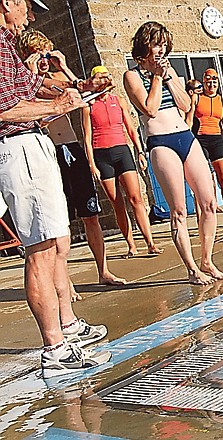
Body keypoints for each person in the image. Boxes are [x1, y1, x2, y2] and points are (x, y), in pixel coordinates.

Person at [0, 0, 112, 377]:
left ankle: (65, 327)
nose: (30, 17)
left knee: (57, 243)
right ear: (7, 3)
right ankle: (54, 349)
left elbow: (34, 90)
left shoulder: (8, 43)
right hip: (18, 148)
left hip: (32, 144)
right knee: (41, 250)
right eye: (27, 7)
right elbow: (3, 110)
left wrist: (81, 87)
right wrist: (62, 101)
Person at [17, 30, 126, 287]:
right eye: (37, 54)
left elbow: (82, 95)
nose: (43, 60)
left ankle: (103, 270)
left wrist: (64, 66)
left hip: (71, 148)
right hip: (48, 151)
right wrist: (32, 73)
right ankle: (63, 282)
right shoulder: (24, 84)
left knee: (91, 214)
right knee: (59, 222)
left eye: (45, 54)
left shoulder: (56, 79)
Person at [124, 21, 223, 284]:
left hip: (185, 136)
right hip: (160, 140)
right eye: (156, 44)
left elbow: (184, 104)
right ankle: (192, 269)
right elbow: (150, 109)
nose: (161, 50)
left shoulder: (171, 73)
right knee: (179, 210)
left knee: (209, 202)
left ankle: (207, 260)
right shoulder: (132, 76)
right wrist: (156, 77)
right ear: (145, 46)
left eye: (164, 45)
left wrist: (169, 78)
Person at [82, 66, 163, 259]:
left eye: (106, 77)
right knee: (117, 203)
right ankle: (131, 245)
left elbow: (131, 129)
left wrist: (140, 151)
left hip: (122, 151)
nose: (105, 81)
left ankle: (150, 243)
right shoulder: (88, 105)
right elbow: (86, 136)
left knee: (136, 199)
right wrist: (92, 163)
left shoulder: (119, 101)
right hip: (102, 155)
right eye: (100, 78)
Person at [185, 68, 223, 228]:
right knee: (203, 181)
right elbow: (188, 120)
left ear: (217, 83)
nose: (211, 84)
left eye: (214, 81)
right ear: (204, 82)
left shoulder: (222, 101)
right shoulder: (196, 98)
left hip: (217, 139)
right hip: (200, 139)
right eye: (208, 81)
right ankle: (202, 220)